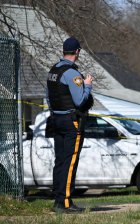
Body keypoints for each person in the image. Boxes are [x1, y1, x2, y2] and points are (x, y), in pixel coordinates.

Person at [46, 37, 94, 213]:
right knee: (70, 161)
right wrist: (87, 85)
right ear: (77, 52)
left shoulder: (53, 71)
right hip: (71, 122)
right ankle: (65, 202)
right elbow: (80, 101)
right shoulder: (72, 74)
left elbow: (48, 98)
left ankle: (58, 199)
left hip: (56, 119)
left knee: (60, 161)